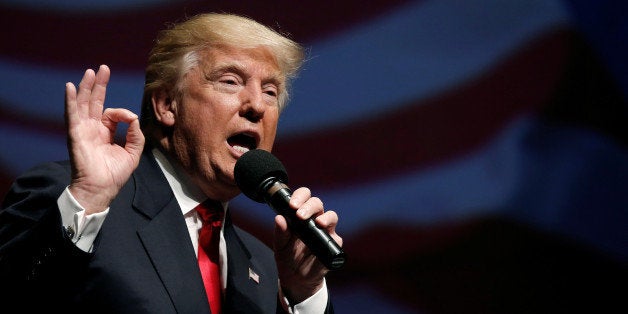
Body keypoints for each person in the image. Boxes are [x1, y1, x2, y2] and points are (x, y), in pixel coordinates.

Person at [0, 13, 342, 313]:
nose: (256, 105)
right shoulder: (76, 201)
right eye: (230, 81)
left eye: (270, 91)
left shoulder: (267, 268)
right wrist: (88, 196)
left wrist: (303, 293)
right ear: (167, 104)